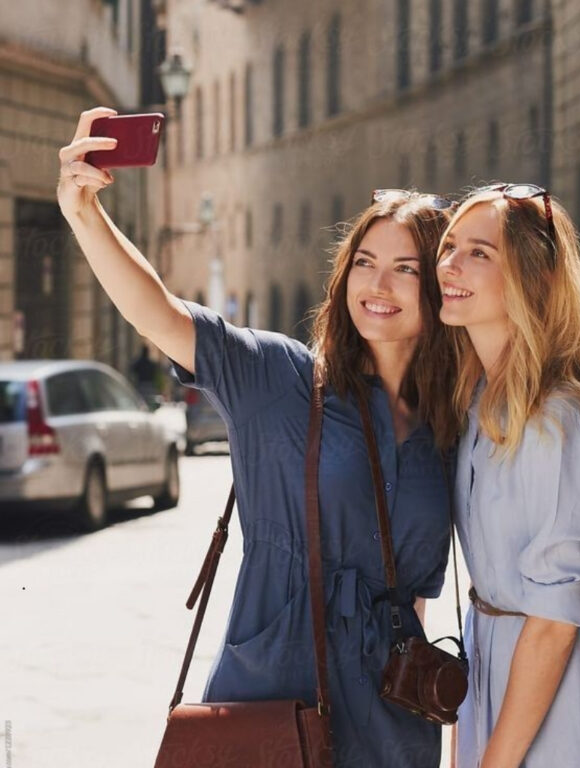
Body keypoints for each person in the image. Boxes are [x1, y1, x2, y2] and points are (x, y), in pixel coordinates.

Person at [56, 106, 460, 767]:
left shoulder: (446, 425)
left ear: (438, 290)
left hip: (394, 724)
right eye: (364, 261)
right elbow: (159, 314)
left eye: (406, 269)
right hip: (275, 703)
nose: (378, 285)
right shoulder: (282, 379)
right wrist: (83, 215)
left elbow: (411, 589)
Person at [436, 183, 580, 768]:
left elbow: (552, 624)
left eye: (480, 252)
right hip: (503, 671)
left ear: (533, 279)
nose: (451, 264)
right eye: (450, 246)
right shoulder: (479, 402)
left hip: (563, 691)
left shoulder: (554, 417)